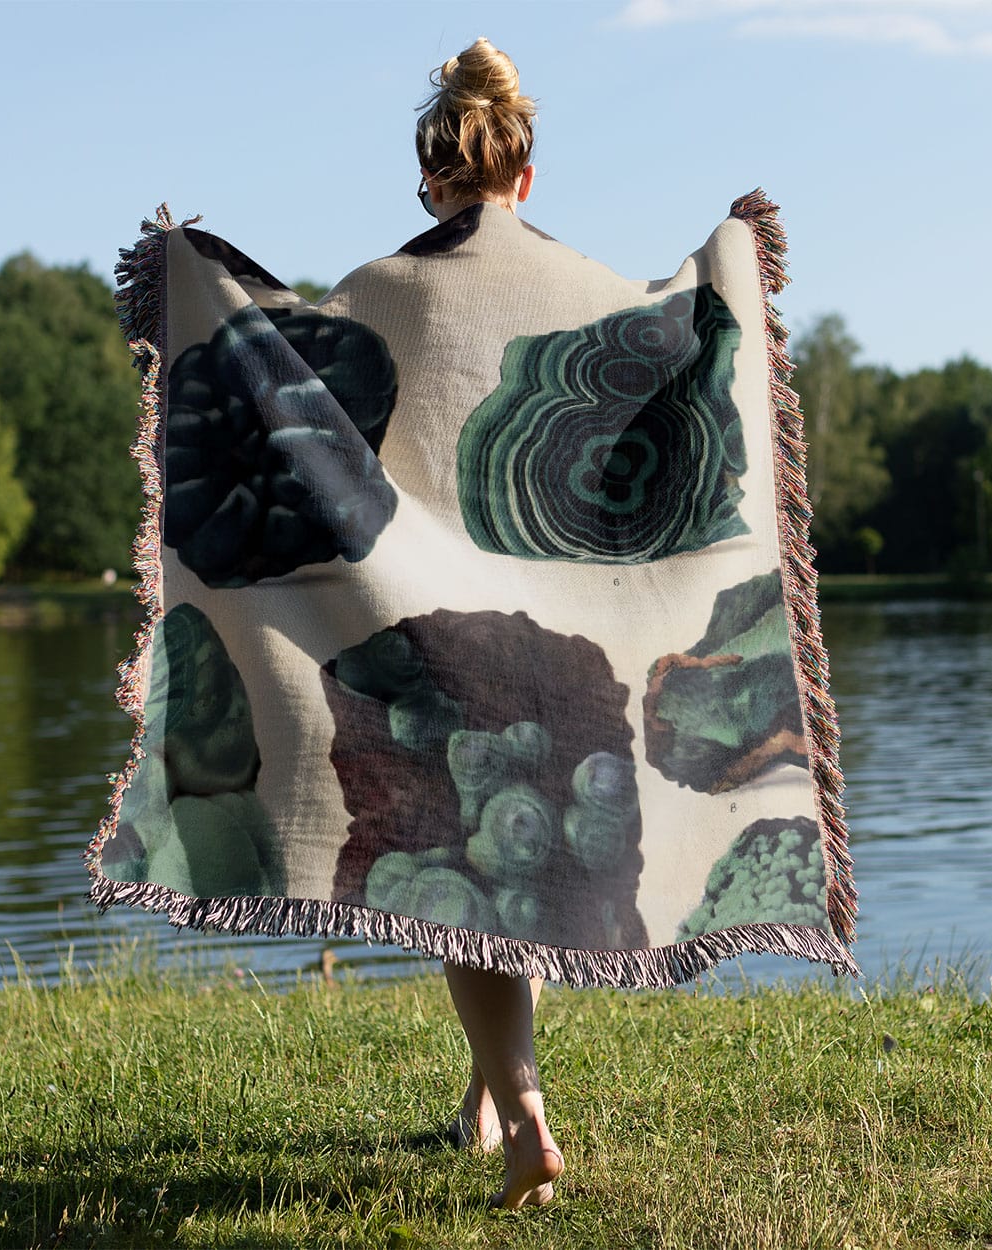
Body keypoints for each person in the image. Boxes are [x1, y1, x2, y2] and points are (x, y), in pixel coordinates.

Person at [412, 37, 564, 1212]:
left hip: (433, 623)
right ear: (522, 175)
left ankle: (523, 1117)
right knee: (512, 864)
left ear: (432, 181)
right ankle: (479, 1098)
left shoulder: (390, 284)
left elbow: (295, 387)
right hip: (558, 628)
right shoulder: (578, 284)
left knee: (463, 885)